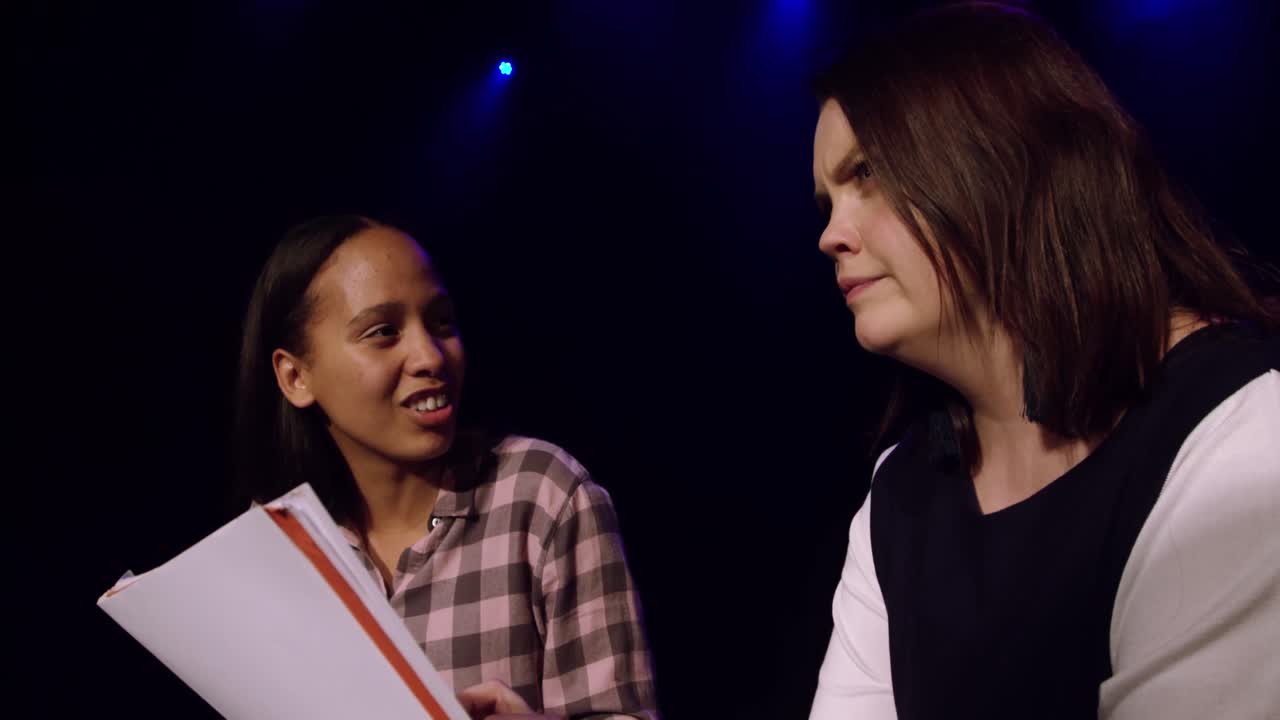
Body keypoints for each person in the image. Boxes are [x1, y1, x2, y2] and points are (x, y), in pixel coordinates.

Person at [807, 4, 1279, 719]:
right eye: (826, 200)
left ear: (999, 159)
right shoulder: (902, 491)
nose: (831, 234)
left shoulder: (1241, 434)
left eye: (867, 174)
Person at [233, 215, 659, 719]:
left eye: (441, 322)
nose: (429, 356)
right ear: (296, 376)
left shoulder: (542, 496)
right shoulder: (275, 547)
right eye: (383, 332)